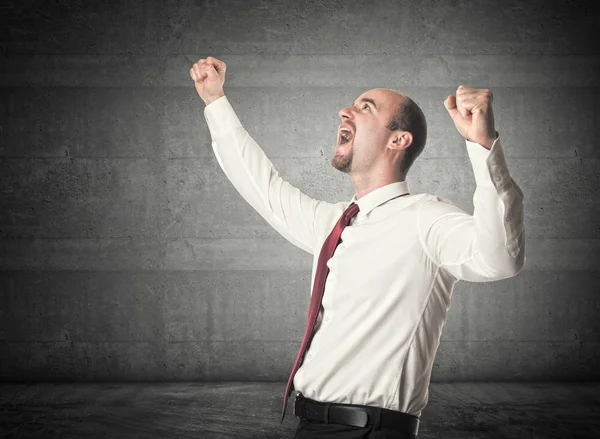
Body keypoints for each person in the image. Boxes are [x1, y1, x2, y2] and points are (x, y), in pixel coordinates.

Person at [190, 57, 525, 439]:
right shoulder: (333, 223)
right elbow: (261, 186)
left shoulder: (426, 218)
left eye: (366, 107)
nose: (344, 111)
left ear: (398, 140)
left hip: (370, 432)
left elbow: (499, 258)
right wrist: (215, 100)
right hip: (310, 426)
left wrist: (482, 146)